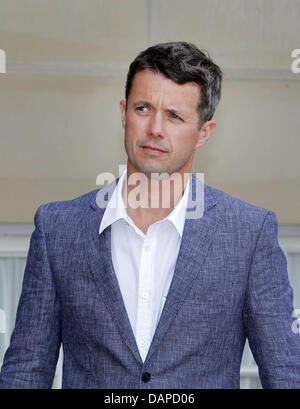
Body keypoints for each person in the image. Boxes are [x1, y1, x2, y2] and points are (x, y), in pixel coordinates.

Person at [0, 41, 300, 389]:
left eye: (175, 116)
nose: (155, 128)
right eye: (144, 108)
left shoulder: (249, 233)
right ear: (124, 113)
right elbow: (25, 373)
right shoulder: (58, 228)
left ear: (204, 133)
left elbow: (286, 375)